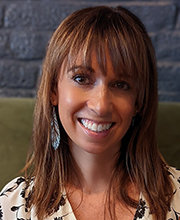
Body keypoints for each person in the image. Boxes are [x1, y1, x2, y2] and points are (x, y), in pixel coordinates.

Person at [0, 5, 179, 220]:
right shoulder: (16, 204)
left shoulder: (175, 197)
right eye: (81, 79)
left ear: (138, 102)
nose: (100, 105)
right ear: (53, 90)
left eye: (121, 85)